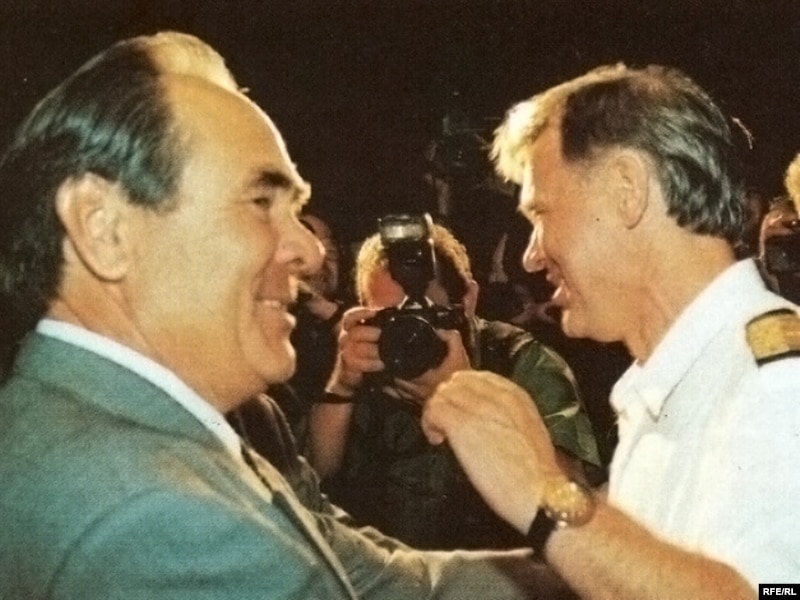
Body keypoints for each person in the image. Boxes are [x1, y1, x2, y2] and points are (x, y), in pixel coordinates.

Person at [0, 31, 573, 599]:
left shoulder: (159, 429)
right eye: (260, 202)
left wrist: (604, 565)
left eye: (294, 209)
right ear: (103, 229)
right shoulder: (161, 515)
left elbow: (390, 581)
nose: (311, 251)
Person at [420, 63, 800, 598]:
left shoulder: (778, 384)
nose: (530, 256)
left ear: (627, 189)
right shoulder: (673, 380)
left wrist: (543, 492)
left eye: (541, 213)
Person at [309, 221, 601, 550]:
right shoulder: (368, 365)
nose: (408, 333)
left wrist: (464, 396)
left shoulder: (520, 361)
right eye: (391, 317)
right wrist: (343, 386)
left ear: (468, 300)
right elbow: (311, 484)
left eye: (424, 314)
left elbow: (577, 501)